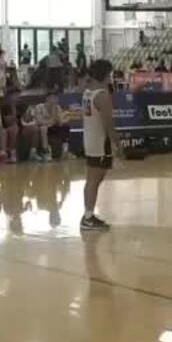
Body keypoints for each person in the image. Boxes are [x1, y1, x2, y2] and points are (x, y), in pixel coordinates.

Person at [80, 59, 124, 232]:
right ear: (106, 74)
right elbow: (109, 124)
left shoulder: (87, 92)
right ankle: (88, 218)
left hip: (90, 138)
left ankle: (88, 216)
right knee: (94, 180)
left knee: (92, 178)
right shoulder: (102, 95)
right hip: (100, 141)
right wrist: (117, 144)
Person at [33, 91, 70, 161]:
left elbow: (60, 122)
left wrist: (62, 118)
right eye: (52, 98)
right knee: (43, 129)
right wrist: (51, 120)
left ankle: (65, 150)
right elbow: (39, 121)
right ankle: (46, 152)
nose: (53, 100)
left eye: (55, 98)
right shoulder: (39, 107)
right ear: (47, 99)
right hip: (43, 127)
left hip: (54, 126)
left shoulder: (57, 107)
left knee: (66, 126)